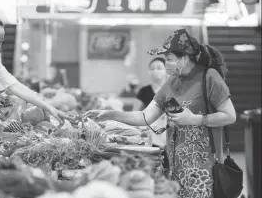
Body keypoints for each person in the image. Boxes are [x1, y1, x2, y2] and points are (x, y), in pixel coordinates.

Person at [84, 29, 237, 198]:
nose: (166, 64)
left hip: (203, 168)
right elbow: (145, 117)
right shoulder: (172, 82)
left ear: (184, 58)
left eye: (169, 59)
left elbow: (230, 115)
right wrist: (110, 114)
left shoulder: (209, 77)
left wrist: (195, 119)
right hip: (174, 166)